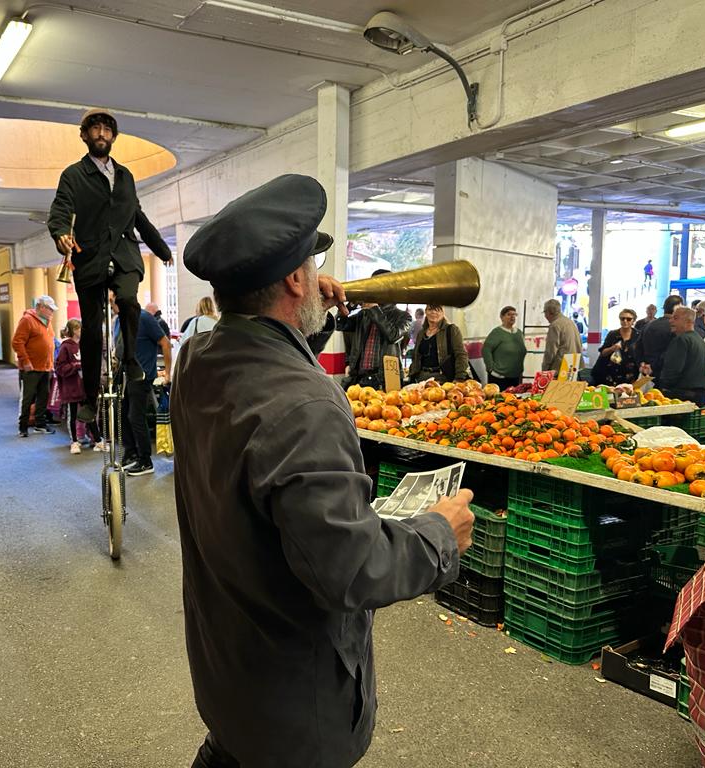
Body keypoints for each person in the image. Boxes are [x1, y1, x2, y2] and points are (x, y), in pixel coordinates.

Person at [170, 174, 474, 768]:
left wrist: (309, 306)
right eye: (310, 264)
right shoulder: (305, 406)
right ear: (292, 279)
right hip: (296, 716)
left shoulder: (197, 360)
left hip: (232, 679)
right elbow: (351, 569)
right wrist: (439, 534)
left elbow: (264, 347)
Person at [47, 108, 173, 424]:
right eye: (95, 129)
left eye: (106, 129)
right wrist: (61, 233)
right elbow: (60, 209)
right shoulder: (73, 175)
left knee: (129, 301)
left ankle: (130, 360)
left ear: (113, 136)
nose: (101, 134)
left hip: (125, 254)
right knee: (91, 330)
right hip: (90, 257)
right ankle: (90, 399)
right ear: (85, 136)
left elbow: (137, 216)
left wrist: (160, 248)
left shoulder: (126, 176)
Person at [336, 270, 412, 390]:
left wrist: (374, 309)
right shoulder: (364, 314)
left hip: (384, 379)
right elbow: (339, 325)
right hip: (359, 378)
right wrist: (349, 306)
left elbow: (392, 335)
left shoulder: (403, 316)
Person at [120, 302, 172, 476]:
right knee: (125, 414)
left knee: (136, 417)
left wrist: (168, 373)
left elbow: (165, 343)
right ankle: (132, 454)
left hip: (142, 375)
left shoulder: (144, 318)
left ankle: (145, 461)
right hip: (129, 374)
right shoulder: (123, 320)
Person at [11, 295, 56, 438]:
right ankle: (22, 426)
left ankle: (40, 424)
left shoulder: (48, 321)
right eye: (50, 309)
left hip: (45, 367)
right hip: (31, 368)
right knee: (28, 397)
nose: (52, 312)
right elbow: (17, 342)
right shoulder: (27, 320)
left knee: (44, 396)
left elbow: (49, 343)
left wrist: (51, 363)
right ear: (41, 307)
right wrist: (25, 361)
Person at [56, 319, 104, 454]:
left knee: (89, 413)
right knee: (73, 415)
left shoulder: (83, 345)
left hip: (84, 386)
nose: (80, 331)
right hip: (72, 387)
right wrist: (76, 366)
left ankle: (98, 440)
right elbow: (60, 367)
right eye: (78, 329)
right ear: (72, 331)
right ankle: (74, 442)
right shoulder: (65, 347)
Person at [658, 306, 705, 405]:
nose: (670, 321)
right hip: (698, 395)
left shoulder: (681, 340)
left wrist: (662, 387)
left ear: (689, 321)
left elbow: (673, 369)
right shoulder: (699, 339)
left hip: (682, 396)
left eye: (675, 318)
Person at [407, 303, 468, 383]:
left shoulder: (452, 330)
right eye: (430, 309)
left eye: (437, 310)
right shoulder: (421, 333)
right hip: (421, 378)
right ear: (426, 311)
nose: (433, 312)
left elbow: (461, 354)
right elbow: (416, 357)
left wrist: (460, 377)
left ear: (443, 313)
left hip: (443, 378)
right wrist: (412, 375)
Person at [636, 294, 683, 377]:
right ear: (678, 308)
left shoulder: (648, 325)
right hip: (665, 373)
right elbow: (670, 352)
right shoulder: (676, 328)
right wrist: (653, 366)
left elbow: (637, 347)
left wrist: (642, 363)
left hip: (646, 371)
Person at [482, 306, 527, 388]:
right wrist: (491, 369)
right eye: (509, 314)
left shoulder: (519, 333)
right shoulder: (497, 332)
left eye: (514, 314)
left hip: (516, 376)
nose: (512, 317)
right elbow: (486, 349)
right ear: (502, 317)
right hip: (500, 377)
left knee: (515, 400)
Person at [592, 308, 640, 385]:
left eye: (628, 319)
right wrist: (612, 348)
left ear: (633, 321)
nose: (625, 321)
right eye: (622, 318)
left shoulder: (638, 335)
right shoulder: (613, 334)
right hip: (611, 373)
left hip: (631, 375)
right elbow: (603, 353)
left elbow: (642, 354)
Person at [542, 299, 582, 373]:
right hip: (573, 365)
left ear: (549, 312)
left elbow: (551, 350)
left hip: (560, 367)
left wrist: (545, 368)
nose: (545, 316)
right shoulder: (570, 322)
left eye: (545, 312)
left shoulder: (555, 325)